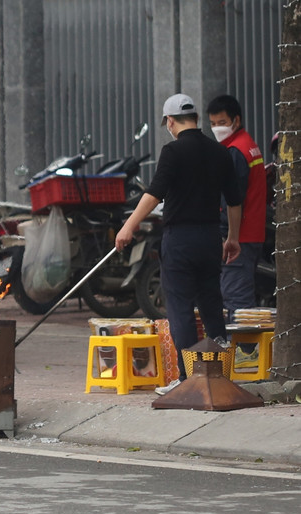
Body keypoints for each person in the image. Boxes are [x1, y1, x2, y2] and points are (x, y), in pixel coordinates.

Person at [115, 93, 242, 395]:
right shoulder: (220, 152)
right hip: (211, 237)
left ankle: (188, 379)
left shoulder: (172, 151)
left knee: (181, 307)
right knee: (212, 302)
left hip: (180, 240)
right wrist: (232, 237)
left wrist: (128, 226)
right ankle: (219, 373)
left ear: (170, 121)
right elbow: (235, 201)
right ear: (196, 118)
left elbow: (154, 193)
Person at [206, 95, 267, 327]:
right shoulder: (248, 145)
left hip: (239, 237)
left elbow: (232, 198)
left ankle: (244, 351)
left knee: (235, 297)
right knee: (238, 295)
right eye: (212, 123)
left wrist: (225, 235)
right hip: (251, 232)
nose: (216, 128)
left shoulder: (236, 151)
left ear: (236, 120)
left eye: (221, 122)